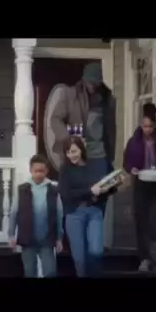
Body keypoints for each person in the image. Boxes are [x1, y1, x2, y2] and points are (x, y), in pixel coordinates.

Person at [50, 61, 117, 217]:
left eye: (95, 82)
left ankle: (96, 226)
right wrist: (71, 140)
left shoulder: (108, 98)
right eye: (89, 82)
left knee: (100, 194)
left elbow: (111, 129)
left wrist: (111, 155)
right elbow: (55, 119)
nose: (92, 85)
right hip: (77, 155)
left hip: (99, 154)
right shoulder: (70, 95)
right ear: (84, 80)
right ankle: (75, 227)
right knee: (76, 195)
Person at [58, 135, 121, 277]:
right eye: (68, 152)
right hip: (74, 214)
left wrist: (113, 185)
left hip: (94, 211)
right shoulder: (65, 170)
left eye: (74, 151)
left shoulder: (93, 166)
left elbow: (104, 189)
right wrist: (89, 191)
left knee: (96, 251)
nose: (71, 155)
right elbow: (65, 194)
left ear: (81, 149)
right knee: (79, 258)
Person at [123, 103, 156, 273]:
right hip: (141, 184)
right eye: (145, 126)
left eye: (150, 126)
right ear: (141, 125)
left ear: (155, 125)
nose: (148, 130)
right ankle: (144, 258)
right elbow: (127, 162)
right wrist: (132, 169)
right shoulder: (134, 142)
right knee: (141, 220)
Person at [8, 154, 64, 278]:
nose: (38, 174)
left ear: (47, 171)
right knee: (30, 271)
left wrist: (59, 238)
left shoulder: (53, 190)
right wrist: (11, 235)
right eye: (36, 171)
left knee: (50, 272)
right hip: (28, 238)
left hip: (47, 238)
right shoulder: (22, 189)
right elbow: (14, 212)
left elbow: (59, 214)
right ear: (31, 170)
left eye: (41, 171)